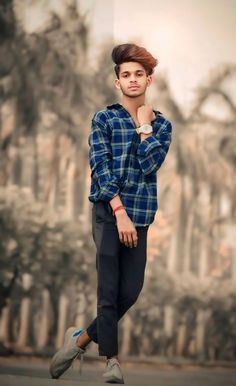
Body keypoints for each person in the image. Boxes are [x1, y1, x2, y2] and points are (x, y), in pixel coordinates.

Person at [49, 43, 172, 384]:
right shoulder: (103, 118)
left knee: (129, 292)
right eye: (125, 75)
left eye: (138, 74)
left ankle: (81, 340)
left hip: (141, 216)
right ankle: (112, 363)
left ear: (149, 80)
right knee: (109, 287)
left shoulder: (162, 126)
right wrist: (118, 211)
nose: (132, 80)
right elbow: (99, 167)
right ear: (117, 82)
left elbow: (151, 165)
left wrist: (145, 126)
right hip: (109, 212)